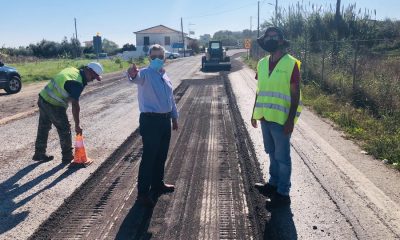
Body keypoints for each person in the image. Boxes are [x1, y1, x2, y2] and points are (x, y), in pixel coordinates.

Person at [251, 27, 302, 208]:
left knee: (282, 157)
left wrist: (290, 121)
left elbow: (295, 94)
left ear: (281, 40)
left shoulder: (291, 63)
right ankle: (273, 184)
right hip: (265, 116)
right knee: (271, 153)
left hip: (281, 120)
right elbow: (260, 90)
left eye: (274, 37)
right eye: (268, 37)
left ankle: (283, 193)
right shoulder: (262, 63)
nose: (270, 39)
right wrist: (254, 113)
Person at [127, 44, 179, 208]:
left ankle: (158, 184)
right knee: (149, 157)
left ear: (164, 57)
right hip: (150, 121)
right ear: (149, 58)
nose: (157, 59)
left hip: (164, 121)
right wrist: (131, 73)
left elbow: (170, 99)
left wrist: (174, 117)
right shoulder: (145, 74)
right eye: (153, 56)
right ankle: (142, 194)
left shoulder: (164, 75)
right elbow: (134, 78)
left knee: (161, 155)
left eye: (160, 56)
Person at [32, 62, 103, 163]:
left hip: (43, 97)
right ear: (88, 71)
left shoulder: (72, 70)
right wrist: (77, 125)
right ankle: (67, 156)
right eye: (93, 77)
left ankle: (39, 153)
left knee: (43, 126)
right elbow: (75, 105)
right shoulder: (77, 83)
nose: (92, 80)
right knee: (64, 128)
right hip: (54, 104)